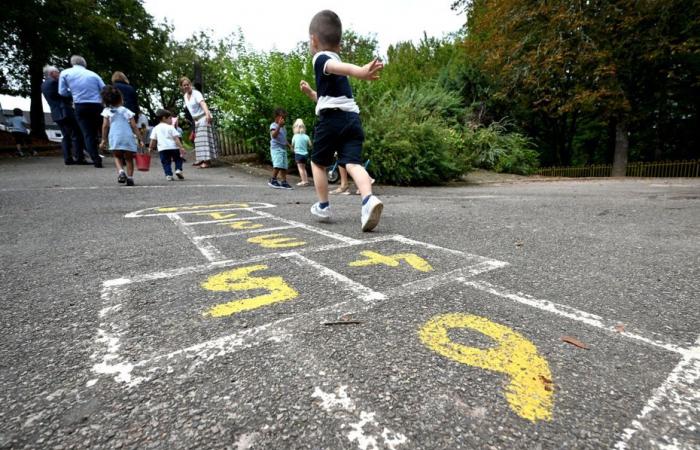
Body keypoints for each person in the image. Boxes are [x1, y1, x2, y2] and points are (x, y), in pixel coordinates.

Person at [300, 10, 384, 231]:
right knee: (353, 163)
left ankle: (323, 206)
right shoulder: (334, 61)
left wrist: (360, 72)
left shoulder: (321, 58)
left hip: (331, 120)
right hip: (352, 119)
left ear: (313, 40)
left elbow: (339, 67)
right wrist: (312, 94)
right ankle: (368, 200)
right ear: (339, 43)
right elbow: (329, 96)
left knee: (317, 162)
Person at [59, 55, 106, 168]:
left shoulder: (65, 73)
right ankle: (108, 151)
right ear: (84, 63)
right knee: (98, 130)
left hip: (80, 105)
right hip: (96, 105)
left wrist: (73, 93)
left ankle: (96, 159)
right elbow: (104, 89)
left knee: (87, 134)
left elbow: (62, 92)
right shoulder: (93, 74)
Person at [41, 65, 87, 165]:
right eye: (57, 72)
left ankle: (68, 158)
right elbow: (64, 94)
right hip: (65, 111)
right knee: (76, 133)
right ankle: (79, 157)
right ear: (52, 73)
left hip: (56, 113)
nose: (59, 74)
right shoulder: (55, 82)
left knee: (66, 135)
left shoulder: (44, 85)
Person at [99, 86, 142, 186]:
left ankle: (121, 172)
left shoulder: (107, 111)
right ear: (120, 99)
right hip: (127, 137)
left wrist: (103, 140)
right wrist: (140, 139)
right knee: (129, 159)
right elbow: (134, 126)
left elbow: (105, 126)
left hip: (115, 137)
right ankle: (130, 178)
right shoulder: (126, 111)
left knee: (117, 156)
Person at [180, 77, 216, 168]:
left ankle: (207, 161)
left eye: (188, 84)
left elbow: (203, 103)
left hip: (203, 117)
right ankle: (201, 159)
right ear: (181, 87)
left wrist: (207, 114)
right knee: (198, 141)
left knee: (204, 140)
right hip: (196, 120)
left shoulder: (196, 93)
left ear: (190, 85)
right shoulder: (185, 96)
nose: (186, 86)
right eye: (184, 85)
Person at [149, 109, 186, 181]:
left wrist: (150, 148)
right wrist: (181, 147)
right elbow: (176, 139)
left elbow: (153, 139)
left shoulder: (156, 128)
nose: (171, 120)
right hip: (173, 147)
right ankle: (178, 169)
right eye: (170, 118)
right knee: (178, 159)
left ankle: (168, 175)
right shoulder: (170, 127)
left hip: (162, 149)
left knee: (166, 162)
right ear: (164, 118)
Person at [267, 108, 293, 190]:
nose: (283, 119)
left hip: (283, 148)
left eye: (284, 118)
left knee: (284, 166)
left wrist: (290, 146)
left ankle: (284, 181)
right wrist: (279, 126)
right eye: (282, 117)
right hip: (276, 148)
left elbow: (284, 138)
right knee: (278, 164)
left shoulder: (283, 128)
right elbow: (274, 136)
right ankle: (273, 180)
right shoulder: (273, 125)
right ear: (276, 117)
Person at [291, 118, 312, 186]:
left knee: (300, 168)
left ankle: (303, 181)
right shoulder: (306, 136)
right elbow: (310, 145)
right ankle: (306, 181)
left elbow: (292, 145)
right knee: (303, 168)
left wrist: (294, 149)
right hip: (305, 154)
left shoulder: (295, 136)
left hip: (298, 154)